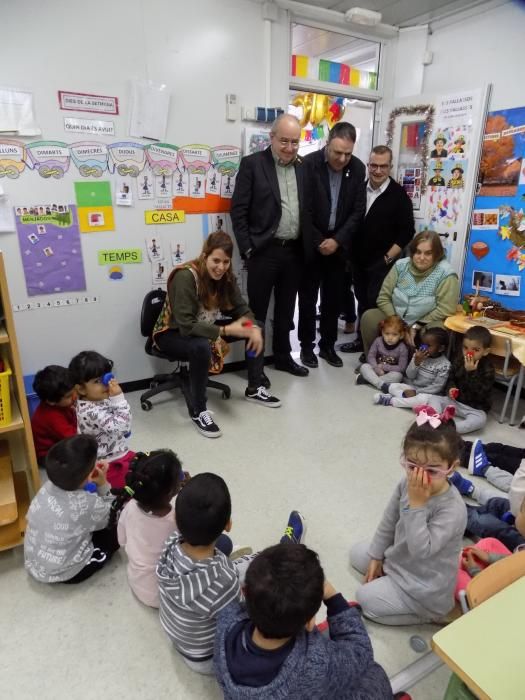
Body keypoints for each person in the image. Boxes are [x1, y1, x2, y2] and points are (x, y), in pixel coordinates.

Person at [157, 473, 305, 675]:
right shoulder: (224, 579)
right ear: (228, 524)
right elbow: (243, 614)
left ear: (176, 518)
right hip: (208, 658)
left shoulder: (170, 542)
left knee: (225, 548)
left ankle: (262, 555)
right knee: (267, 592)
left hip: (181, 640)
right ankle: (285, 549)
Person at [214, 543, 391, 699]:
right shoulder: (316, 664)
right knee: (375, 677)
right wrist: (334, 599)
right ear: (309, 623)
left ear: (246, 592)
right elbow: (361, 654)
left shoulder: (227, 617)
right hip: (308, 684)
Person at [152, 232, 281, 438]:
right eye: (216, 261)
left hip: (204, 328)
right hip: (171, 333)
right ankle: (199, 410)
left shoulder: (226, 277)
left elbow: (242, 310)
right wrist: (227, 330)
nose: (221, 267)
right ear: (205, 256)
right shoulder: (185, 276)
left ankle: (255, 388)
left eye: (226, 262)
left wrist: (250, 326)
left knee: (256, 325)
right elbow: (187, 325)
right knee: (200, 345)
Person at [350, 405, 467, 625]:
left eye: (432, 470)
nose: (420, 477)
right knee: (358, 553)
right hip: (400, 558)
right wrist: (376, 556)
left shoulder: (453, 509)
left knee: (364, 600)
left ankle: (432, 614)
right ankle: (387, 574)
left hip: (423, 587)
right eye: (412, 466)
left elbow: (420, 551)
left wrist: (417, 505)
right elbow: (389, 520)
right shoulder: (406, 482)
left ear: (452, 467)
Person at [231, 114, 309, 377]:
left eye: (295, 142)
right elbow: (238, 211)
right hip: (263, 251)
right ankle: (255, 369)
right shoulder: (253, 164)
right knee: (257, 314)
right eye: (284, 141)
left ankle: (283, 357)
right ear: (272, 138)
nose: (289, 147)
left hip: (294, 252)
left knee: (287, 311)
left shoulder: (303, 167)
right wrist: (248, 249)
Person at [297, 122, 366, 369]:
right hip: (311, 243)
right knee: (307, 298)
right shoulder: (307, 164)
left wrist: (337, 241)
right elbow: (302, 209)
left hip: (339, 245)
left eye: (348, 153)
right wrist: (319, 241)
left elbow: (358, 211)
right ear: (328, 142)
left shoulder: (357, 168)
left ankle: (327, 345)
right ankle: (306, 347)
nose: (342, 158)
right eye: (338, 152)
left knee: (333, 298)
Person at [340, 145, 415, 356]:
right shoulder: (358, 190)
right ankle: (361, 341)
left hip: (383, 264)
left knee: (376, 305)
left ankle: (376, 351)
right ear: (368, 165)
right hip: (357, 260)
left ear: (390, 167)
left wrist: (386, 258)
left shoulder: (399, 195)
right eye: (374, 165)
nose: (378, 170)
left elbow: (407, 231)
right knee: (362, 302)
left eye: (383, 166)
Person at [24, 435, 119, 584]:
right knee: (114, 535)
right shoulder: (87, 504)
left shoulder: (46, 486)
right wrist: (103, 484)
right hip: (67, 572)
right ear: (90, 475)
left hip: (34, 561)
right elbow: (112, 515)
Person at [359, 230, 459, 356]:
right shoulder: (401, 266)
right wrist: (397, 323)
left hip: (424, 321)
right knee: (369, 317)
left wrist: (416, 326)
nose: (421, 258)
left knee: (435, 331)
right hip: (396, 317)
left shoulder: (446, 274)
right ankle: (374, 358)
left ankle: (422, 368)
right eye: (418, 252)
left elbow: (446, 308)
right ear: (412, 252)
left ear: (437, 254)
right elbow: (383, 297)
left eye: (428, 253)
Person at [114, 450, 184, 607]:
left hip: (138, 584)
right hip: (167, 597)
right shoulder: (177, 520)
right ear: (172, 491)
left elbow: (122, 541)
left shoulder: (129, 507)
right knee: (222, 543)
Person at [69, 350, 134, 489]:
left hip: (118, 450)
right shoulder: (91, 411)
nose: (106, 383)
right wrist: (119, 399)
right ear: (81, 389)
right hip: (108, 463)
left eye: (105, 377)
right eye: (97, 381)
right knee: (131, 486)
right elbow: (121, 426)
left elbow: (124, 423)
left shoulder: (96, 398)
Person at [372, 327, 451, 406]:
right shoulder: (418, 355)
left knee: (422, 399)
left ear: (441, 348)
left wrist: (417, 392)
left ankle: (391, 401)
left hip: (428, 394)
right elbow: (410, 375)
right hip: (412, 386)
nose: (424, 348)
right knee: (396, 385)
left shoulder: (444, 365)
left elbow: (436, 388)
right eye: (423, 344)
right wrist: (416, 363)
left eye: (429, 346)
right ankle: (399, 394)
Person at [30, 365, 77, 466]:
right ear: (51, 401)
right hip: (48, 455)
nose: (74, 397)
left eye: (74, 392)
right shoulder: (51, 417)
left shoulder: (59, 404)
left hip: (60, 442)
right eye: (69, 396)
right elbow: (74, 437)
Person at [355, 314, 409, 390]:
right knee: (364, 366)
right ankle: (381, 385)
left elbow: (402, 368)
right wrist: (376, 368)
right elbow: (371, 356)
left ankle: (367, 380)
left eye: (394, 334)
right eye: (387, 334)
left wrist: (384, 367)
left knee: (398, 376)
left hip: (390, 373)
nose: (390, 338)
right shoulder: (378, 341)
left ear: (401, 335)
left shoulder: (402, 348)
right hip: (375, 369)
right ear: (383, 332)